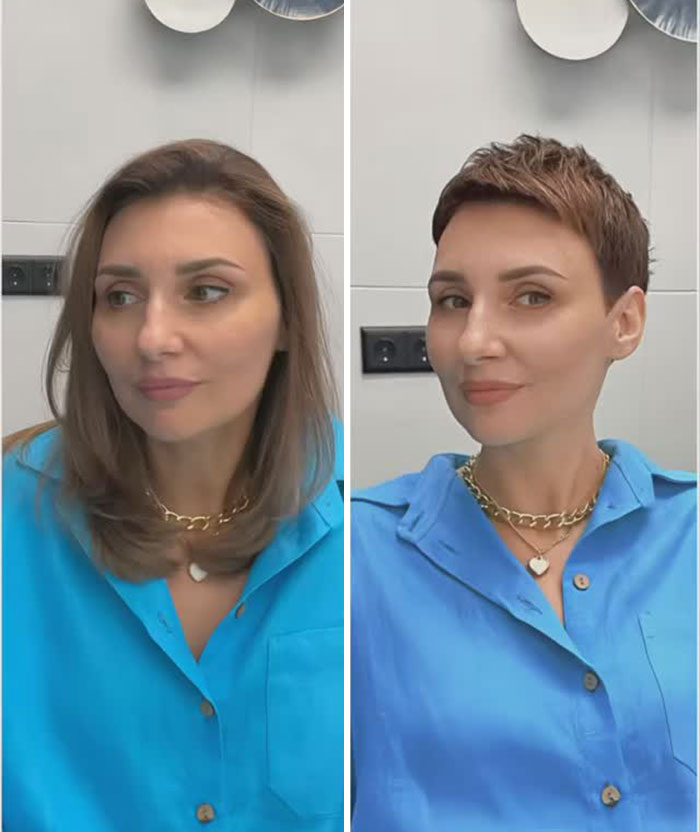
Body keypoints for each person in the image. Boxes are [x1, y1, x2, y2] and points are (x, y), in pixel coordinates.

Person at [351, 135, 696, 832]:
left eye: (531, 296)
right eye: (452, 300)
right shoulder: (355, 557)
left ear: (623, 323)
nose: (474, 341)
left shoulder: (688, 535)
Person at [3, 139, 343, 831]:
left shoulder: (365, 516)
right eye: (120, 296)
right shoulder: (15, 516)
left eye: (206, 291)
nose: (153, 337)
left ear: (286, 319)